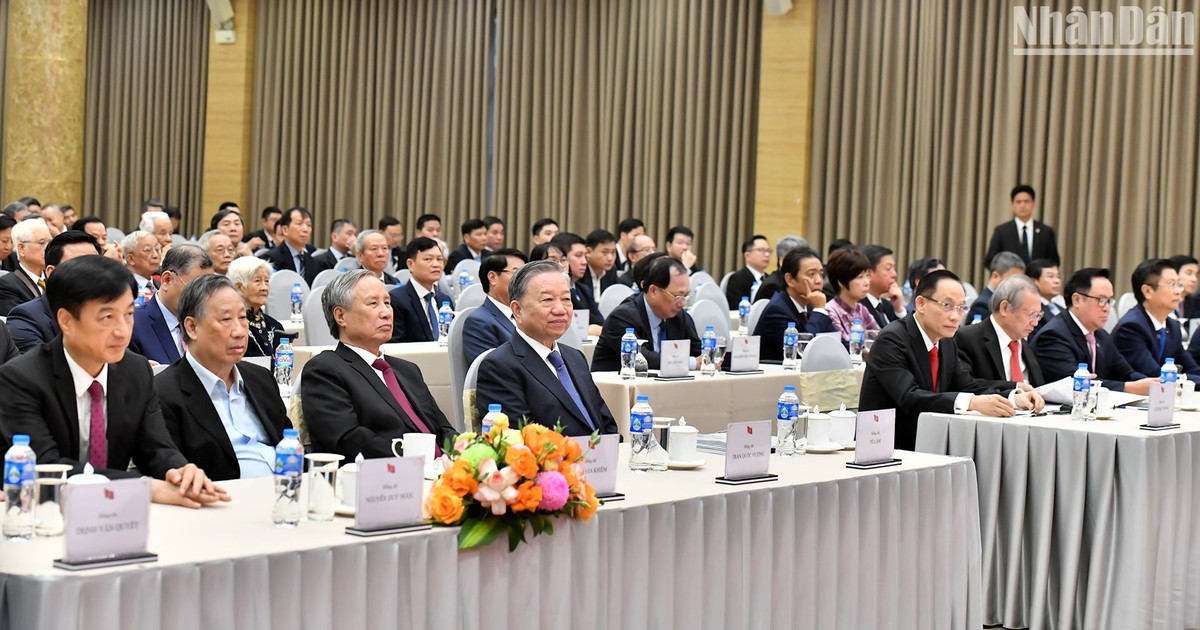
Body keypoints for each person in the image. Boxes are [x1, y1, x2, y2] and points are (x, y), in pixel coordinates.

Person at [0, 256, 229, 508]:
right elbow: (47, 467)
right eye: (107, 317)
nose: (122, 330)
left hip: (115, 514)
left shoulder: (135, 370)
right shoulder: (21, 377)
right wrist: (145, 487)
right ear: (66, 320)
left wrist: (180, 471)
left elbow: (156, 448)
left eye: (129, 314)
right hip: (44, 512)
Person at [859, 270, 1043, 451]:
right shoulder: (892, 339)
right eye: (947, 305)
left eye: (961, 307)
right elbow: (909, 396)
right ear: (921, 303)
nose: (955, 316)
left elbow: (968, 384)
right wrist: (972, 403)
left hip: (931, 440)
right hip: (887, 445)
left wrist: (1013, 396)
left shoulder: (946, 342)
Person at [302, 270, 456, 460]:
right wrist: (416, 460)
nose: (386, 313)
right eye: (373, 304)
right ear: (341, 316)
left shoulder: (408, 370)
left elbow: (442, 427)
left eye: (388, 303)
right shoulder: (325, 369)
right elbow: (349, 440)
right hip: (389, 477)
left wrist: (461, 454)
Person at [155, 275, 291, 481]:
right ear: (192, 327)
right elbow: (169, 466)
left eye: (243, 318)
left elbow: (289, 442)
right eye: (226, 319)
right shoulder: (164, 392)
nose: (239, 331)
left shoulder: (260, 378)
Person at [474, 261, 619, 436]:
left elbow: (606, 425)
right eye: (547, 300)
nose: (560, 310)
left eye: (566, 299)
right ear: (518, 310)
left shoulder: (575, 357)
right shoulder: (499, 366)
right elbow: (518, 444)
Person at [1032, 268, 1157, 394]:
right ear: (1077, 300)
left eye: (1109, 301)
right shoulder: (1052, 336)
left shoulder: (1101, 335)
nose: (1107, 308)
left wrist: (1153, 384)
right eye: (1101, 300)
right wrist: (1128, 388)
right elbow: (1074, 384)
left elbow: (1127, 373)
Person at [592, 256, 702, 372]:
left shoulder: (679, 316)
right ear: (653, 291)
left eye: (686, 296)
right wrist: (693, 362)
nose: (682, 304)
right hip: (616, 387)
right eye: (677, 296)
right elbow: (641, 358)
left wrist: (713, 359)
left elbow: (699, 351)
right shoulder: (622, 317)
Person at [8, 231, 104, 354]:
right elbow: (37, 367)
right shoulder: (25, 317)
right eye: (79, 264)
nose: (91, 272)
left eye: (96, 264)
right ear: (52, 272)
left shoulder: (108, 311)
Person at [1112, 258, 1200, 379]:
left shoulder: (1172, 326)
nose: (1178, 291)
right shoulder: (1130, 328)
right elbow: (1155, 375)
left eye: (1179, 284)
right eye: (1171, 284)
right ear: (1147, 291)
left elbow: (1191, 368)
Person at [954, 275, 1047, 386]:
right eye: (1031, 314)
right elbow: (967, 386)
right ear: (1005, 308)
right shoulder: (967, 339)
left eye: (1038, 315)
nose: (1035, 323)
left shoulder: (1024, 343)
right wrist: (1014, 390)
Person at [129, 245, 215, 364]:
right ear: (167, 280)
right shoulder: (134, 324)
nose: (203, 296)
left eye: (208, 289)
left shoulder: (209, 322)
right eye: (196, 288)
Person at [752, 247, 835, 361]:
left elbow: (833, 341)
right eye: (811, 274)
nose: (819, 281)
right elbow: (802, 352)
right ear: (790, 280)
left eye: (821, 274)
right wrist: (820, 310)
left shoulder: (811, 304)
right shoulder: (777, 310)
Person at [462, 248, 527, 367]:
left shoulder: (529, 314)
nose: (524, 280)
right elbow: (489, 370)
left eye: (525, 274)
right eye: (517, 273)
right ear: (492, 277)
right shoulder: (479, 321)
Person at [388, 237, 454, 343]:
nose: (436, 264)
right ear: (411, 264)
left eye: (439, 259)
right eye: (428, 259)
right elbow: (395, 345)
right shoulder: (396, 300)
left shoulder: (444, 300)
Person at [984, 184, 1061, 267]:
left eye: (1026, 201)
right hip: (1011, 278)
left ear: (1033, 204)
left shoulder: (1046, 232)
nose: (1022, 205)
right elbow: (991, 260)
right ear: (1012, 205)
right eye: (1018, 202)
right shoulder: (1002, 231)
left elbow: (1053, 261)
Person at [228, 256, 284, 358]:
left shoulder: (275, 326)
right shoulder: (231, 327)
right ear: (239, 287)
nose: (264, 288)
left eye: (266, 281)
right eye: (257, 281)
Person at [824, 248, 881, 342]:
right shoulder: (830, 311)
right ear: (841, 282)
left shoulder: (861, 309)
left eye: (867, 276)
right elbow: (844, 343)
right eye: (860, 277)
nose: (866, 282)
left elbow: (879, 337)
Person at [552, 232, 603, 331]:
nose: (584, 262)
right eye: (578, 255)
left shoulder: (584, 289)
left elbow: (600, 322)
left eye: (585, 256)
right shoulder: (554, 292)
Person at [0, 218, 50, 316]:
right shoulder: (7, 285)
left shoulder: (54, 278)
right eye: (41, 243)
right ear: (22, 248)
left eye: (50, 242)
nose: (48, 248)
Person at [263, 206, 319, 285]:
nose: (305, 229)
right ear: (285, 230)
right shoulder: (272, 258)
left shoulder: (312, 261)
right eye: (299, 224)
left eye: (309, 225)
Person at [967, 252, 1026, 321]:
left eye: (1020, 279)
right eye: (1013, 279)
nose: (1018, 284)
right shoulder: (982, 305)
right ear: (995, 276)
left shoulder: (1012, 301)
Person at [860, 244, 908, 327]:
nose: (894, 274)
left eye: (894, 269)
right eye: (888, 269)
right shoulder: (858, 306)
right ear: (868, 273)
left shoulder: (887, 305)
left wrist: (899, 309)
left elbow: (905, 336)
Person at [752, 235, 808, 303]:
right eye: (796, 259)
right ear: (781, 261)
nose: (801, 263)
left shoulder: (797, 280)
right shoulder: (772, 286)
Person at [724, 235, 771, 307]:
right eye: (761, 250)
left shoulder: (770, 280)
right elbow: (735, 309)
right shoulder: (737, 279)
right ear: (747, 255)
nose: (767, 254)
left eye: (768, 251)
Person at [1025, 258, 1064, 331]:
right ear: (1033, 281)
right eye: (1050, 276)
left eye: (1058, 277)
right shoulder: (1032, 310)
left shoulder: (1061, 308)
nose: (1057, 281)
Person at [582, 229, 619, 299]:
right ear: (588, 252)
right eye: (605, 252)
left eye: (613, 252)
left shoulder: (611, 271)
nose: (610, 258)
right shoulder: (580, 271)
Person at [122, 230, 162, 294]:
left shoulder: (161, 286)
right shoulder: (122, 287)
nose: (155, 255)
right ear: (131, 259)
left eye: (157, 249)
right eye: (148, 250)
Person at [1168, 254, 1200, 320]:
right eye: (1189, 273)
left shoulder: (1197, 304)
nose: (1194, 279)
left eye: (1196, 274)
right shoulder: (1159, 302)